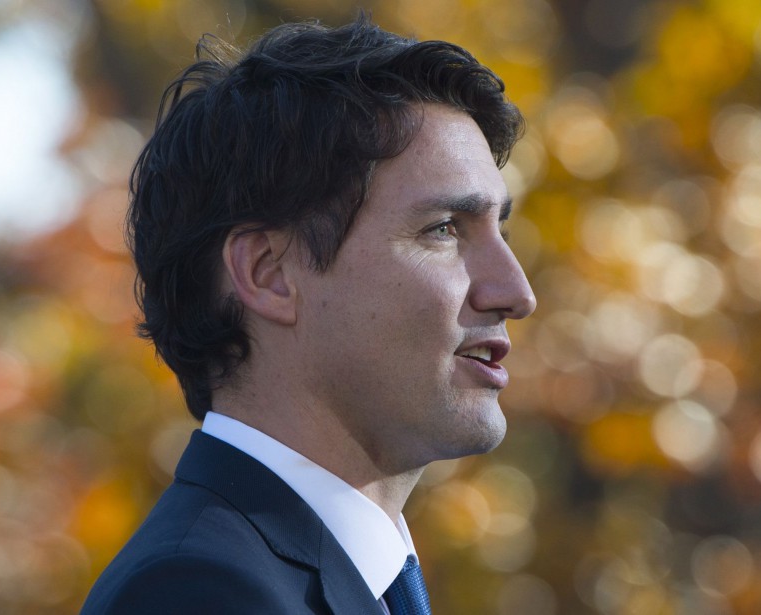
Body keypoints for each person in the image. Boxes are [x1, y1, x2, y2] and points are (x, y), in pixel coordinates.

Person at [81, 13, 536, 615]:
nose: (516, 292)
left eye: (499, 229)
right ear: (269, 273)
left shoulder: (330, 582)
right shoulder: (197, 593)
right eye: (445, 229)